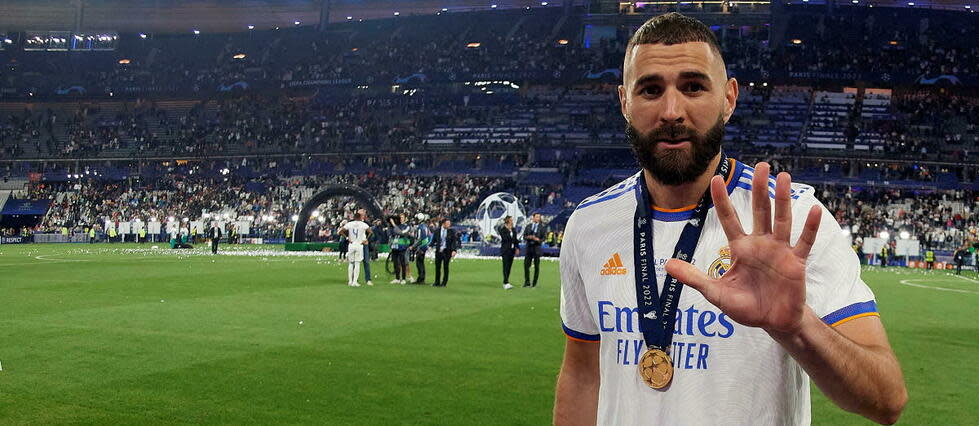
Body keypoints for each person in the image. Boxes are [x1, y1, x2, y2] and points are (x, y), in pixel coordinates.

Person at [554, 13, 906, 425]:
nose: (672, 110)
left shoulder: (791, 219)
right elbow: (582, 374)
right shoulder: (589, 224)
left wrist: (797, 328)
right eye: (650, 89)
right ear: (624, 102)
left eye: (693, 87)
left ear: (729, 98)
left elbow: (886, 399)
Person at [340, 212, 372, 287]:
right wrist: (366, 239)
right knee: (358, 263)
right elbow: (370, 232)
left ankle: (350, 281)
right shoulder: (363, 224)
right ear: (360, 217)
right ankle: (356, 281)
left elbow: (340, 231)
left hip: (351, 244)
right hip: (360, 244)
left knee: (351, 263)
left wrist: (347, 238)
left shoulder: (350, 224)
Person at [431, 218, 458, 287]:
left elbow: (454, 242)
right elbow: (434, 240)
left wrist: (454, 250)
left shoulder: (451, 232)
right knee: (437, 267)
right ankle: (437, 282)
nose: (449, 225)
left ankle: (444, 283)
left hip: (447, 251)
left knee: (446, 267)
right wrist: (430, 245)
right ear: (443, 224)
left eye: (449, 223)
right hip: (439, 251)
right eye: (447, 223)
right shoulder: (437, 231)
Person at [523, 213, 546, 287]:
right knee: (526, 265)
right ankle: (527, 282)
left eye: (539, 217)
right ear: (533, 218)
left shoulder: (542, 228)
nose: (538, 218)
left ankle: (534, 283)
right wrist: (528, 237)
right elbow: (524, 236)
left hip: (536, 248)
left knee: (536, 266)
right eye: (536, 217)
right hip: (529, 248)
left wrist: (538, 239)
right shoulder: (528, 226)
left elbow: (543, 238)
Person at [388, 214, 413, 285]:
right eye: (400, 217)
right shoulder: (396, 226)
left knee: (403, 262)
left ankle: (404, 278)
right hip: (395, 246)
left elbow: (401, 233)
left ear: (405, 219)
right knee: (396, 263)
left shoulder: (407, 227)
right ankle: (397, 278)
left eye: (402, 217)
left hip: (402, 246)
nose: (400, 219)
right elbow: (391, 234)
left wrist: (394, 225)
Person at [497, 216, 520, 290]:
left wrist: (517, 248)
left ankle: (507, 281)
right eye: (511, 220)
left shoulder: (513, 230)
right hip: (505, 250)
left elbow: (515, 240)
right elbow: (505, 238)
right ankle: (505, 282)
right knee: (505, 266)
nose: (512, 222)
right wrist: (509, 231)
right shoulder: (503, 230)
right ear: (508, 221)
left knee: (509, 266)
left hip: (512, 250)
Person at [410, 213, 432, 284]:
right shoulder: (425, 227)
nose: (415, 221)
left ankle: (421, 279)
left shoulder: (420, 227)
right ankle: (421, 278)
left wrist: (413, 246)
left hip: (421, 247)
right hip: (424, 246)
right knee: (421, 263)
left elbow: (419, 239)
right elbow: (428, 237)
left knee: (419, 263)